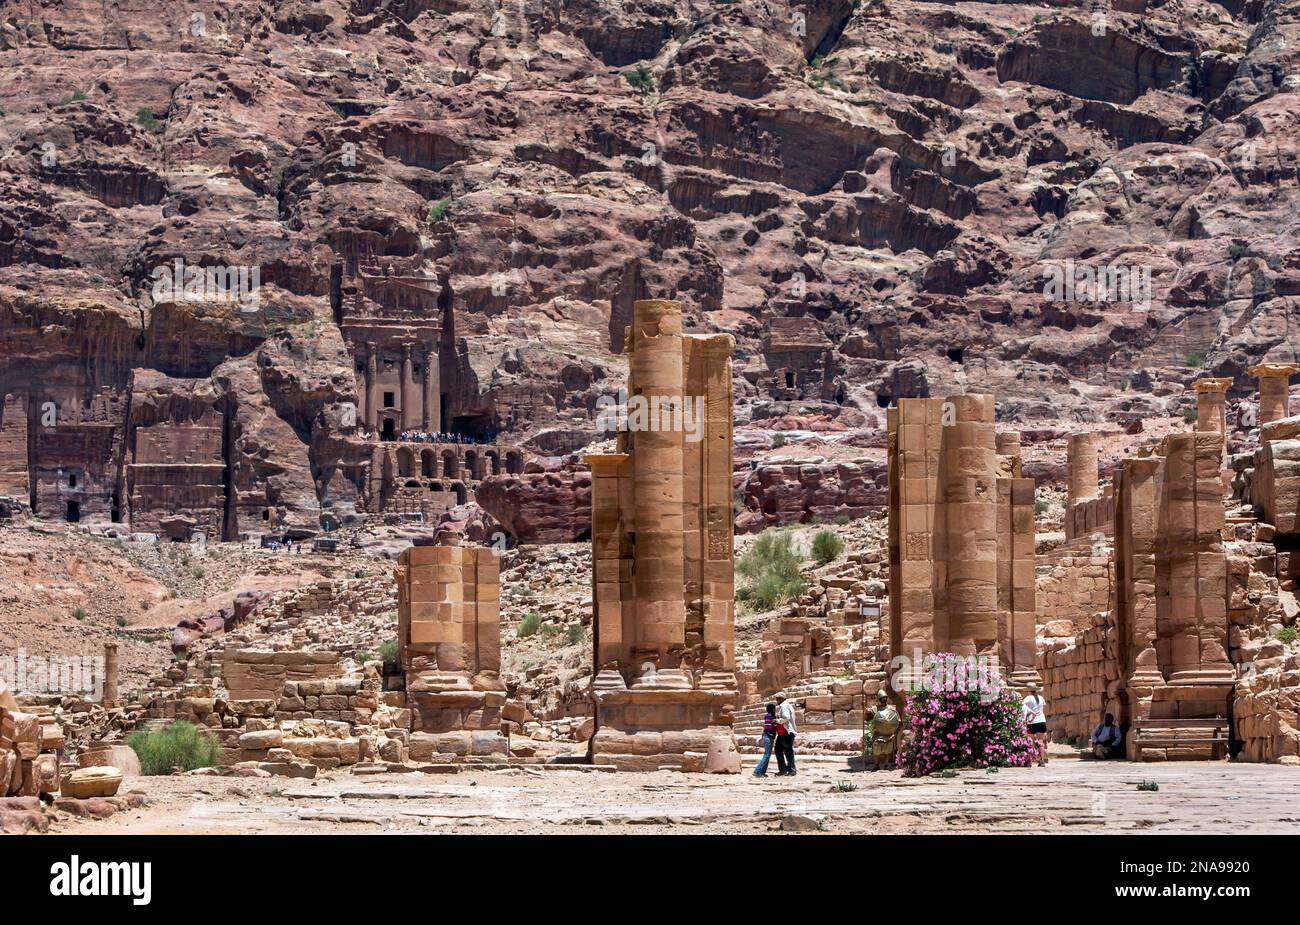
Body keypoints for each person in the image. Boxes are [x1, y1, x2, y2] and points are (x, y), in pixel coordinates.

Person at [868, 688, 901, 770]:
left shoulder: (892, 708)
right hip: (878, 733)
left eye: (885, 698)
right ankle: (876, 764)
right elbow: (868, 717)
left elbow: (897, 719)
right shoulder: (875, 709)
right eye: (882, 698)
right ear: (880, 699)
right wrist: (865, 709)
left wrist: (896, 724)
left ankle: (886, 764)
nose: (884, 700)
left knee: (888, 750)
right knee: (877, 749)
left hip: (889, 733)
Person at [1022, 683, 1048, 766]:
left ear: (1028, 690)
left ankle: (1029, 760)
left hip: (1032, 722)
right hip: (1041, 721)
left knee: (1030, 741)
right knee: (1041, 742)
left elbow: (1022, 705)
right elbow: (1043, 707)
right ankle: (1042, 761)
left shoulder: (1028, 698)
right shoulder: (1041, 698)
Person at [774, 691, 797, 777]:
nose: (776, 700)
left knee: (787, 751)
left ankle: (791, 770)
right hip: (784, 732)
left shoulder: (783, 706)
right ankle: (784, 769)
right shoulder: (787, 705)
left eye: (777, 698)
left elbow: (786, 718)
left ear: (781, 699)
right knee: (779, 750)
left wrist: (777, 721)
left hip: (786, 732)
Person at [752, 703, 778, 777]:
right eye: (774, 709)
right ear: (772, 709)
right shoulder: (771, 717)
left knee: (767, 755)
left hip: (766, 736)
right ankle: (757, 771)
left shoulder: (767, 716)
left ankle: (762, 772)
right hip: (768, 737)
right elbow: (770, 727)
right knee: (766, 755)